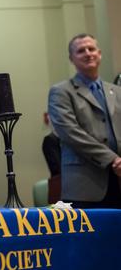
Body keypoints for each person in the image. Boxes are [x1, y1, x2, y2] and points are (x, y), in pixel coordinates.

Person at [48, 33, 121, 208]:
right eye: (81, 51)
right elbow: (70, 133)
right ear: (71, 58)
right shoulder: (61, 92)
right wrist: (112, 159)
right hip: (85, 186)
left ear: (100, 53)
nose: (88, 53)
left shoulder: (117, 91)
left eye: (92, 49)